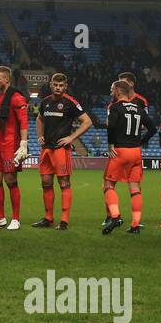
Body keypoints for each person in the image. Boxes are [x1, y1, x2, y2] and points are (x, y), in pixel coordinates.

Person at [32, 72, 92, 230]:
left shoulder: (70, 102)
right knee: (46, 182)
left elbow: (87, 122)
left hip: (60, 150)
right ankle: (48, 218)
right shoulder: (45, 102)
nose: (58, 88)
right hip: (46, 149)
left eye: (61, 85)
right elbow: (39, 118)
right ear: (51, 85)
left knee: (63, 182)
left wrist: (71, 138)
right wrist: (39, 136)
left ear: (65, 87)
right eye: (55, 85)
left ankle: (64, 220)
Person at [102, 79, 156, 235]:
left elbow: (111, 126)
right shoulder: (139, 108)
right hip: (136, 152)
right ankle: (135, 225)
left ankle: (116, 216)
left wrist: (111, 144)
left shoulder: (115, 107)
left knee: (108, 185)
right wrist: (141, 141)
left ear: (118, 91)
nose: (111, 92)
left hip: (120, 151)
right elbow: (152, 129)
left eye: (112, 89)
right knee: (135, 188)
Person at [0, 65, 29, 230]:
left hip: (10, 145)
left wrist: (23, 143)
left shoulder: (16, 97)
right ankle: (0, 217)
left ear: (7, 79)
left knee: (10, 180)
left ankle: (15, 219)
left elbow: (24, 121)